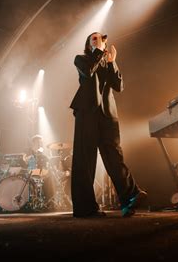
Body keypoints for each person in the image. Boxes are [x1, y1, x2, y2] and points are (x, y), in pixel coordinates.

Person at [70, 32, 146, 217]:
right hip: (87, 113)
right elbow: (88, 73)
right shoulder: (81, 59)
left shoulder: (106, 62)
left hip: (107, 115)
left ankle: (129, 197)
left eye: (101, 38)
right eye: (94, 39)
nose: (99, 40)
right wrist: (99, 52)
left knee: (114, 156)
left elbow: (118, 86)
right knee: (85, 160)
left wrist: (112, 62)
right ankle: (85, 208)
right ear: (89, 45)